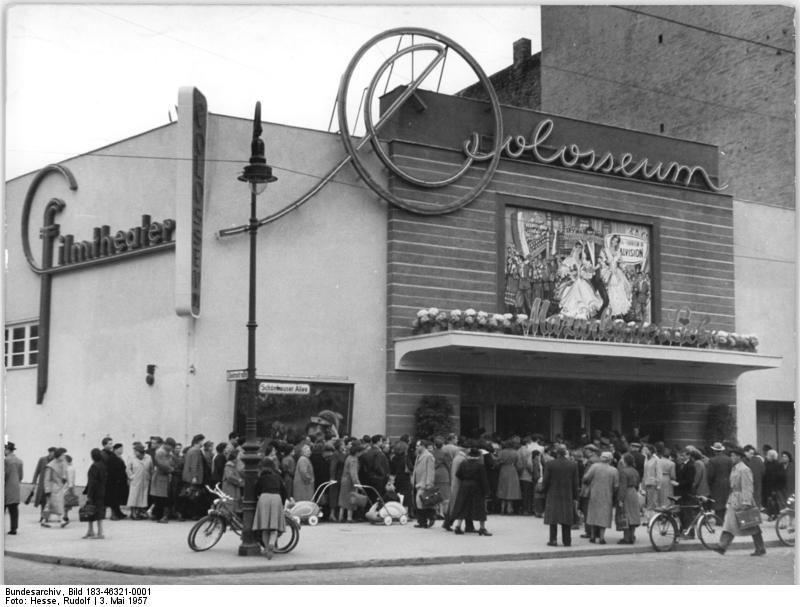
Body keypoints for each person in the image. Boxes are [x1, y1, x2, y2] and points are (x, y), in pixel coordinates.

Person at [714, 448, 766, 557]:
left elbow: (747, 486)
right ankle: (722, 546)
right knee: (729, 524)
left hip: (742, 499)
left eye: (734, 456)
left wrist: (746, 502)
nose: (732, 458)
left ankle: (760, 548)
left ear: (740, 457)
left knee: (751, 525)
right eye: (731, 455)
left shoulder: (744, 469)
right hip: (734, 499)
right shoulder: (735, 468)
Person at [450, 445, 492, 536]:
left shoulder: (463, 463)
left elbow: (458, 474)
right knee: (480, 507)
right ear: (477, 456)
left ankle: (458, 526)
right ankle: (482, 528)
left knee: (463, 505)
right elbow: (483, 479)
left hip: (464, 486)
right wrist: (487, 491)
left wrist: (465, 480)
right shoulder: (480, 466)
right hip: (476, 487)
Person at [542, 445, 579, 547]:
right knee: (566, 517)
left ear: (557, 453)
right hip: (567, 493)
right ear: (565, 453)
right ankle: (567, 541)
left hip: (553, 492)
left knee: (553, 518)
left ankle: (553, 540)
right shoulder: (573, 465)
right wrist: (576, 496)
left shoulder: (550, 464)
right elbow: (576, 483)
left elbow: (545, 480)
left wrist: (544, 491)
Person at [557, 241, 603, 319]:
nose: (578, 249)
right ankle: (571, 314)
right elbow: (562, 271)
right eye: (577, 247)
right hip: (572, 283)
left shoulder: (582, 260)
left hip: (581, 281)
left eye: (580, 248)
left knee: (585, 294)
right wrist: (570, 275)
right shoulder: (569, 259)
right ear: (574, 248)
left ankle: (582, 314)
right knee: (573, 296)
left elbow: (588, 272)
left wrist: (592, 269)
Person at [253, 457, 287, 559]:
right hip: (276, 498)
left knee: (264, 528)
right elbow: (284, 491)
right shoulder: (277, 477)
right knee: (274, 527)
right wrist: (282, 503)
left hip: (264, 498)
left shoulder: (261, 478)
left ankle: (267, 547)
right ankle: (272, 543)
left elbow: (256, 491)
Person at [583, 451, 619, 544]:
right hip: (607, 495)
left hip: (594, 494)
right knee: (604, 515)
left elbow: (586, 478)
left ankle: (592, 536)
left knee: (593, 513)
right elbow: (616, 486)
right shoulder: (614, 470)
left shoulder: (594, 466)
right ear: (610, 460)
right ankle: (602, 538)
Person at [600, 233, 632, 317]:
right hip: (608, 272)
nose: (613, 243)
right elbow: (601, 261)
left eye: (616, 242)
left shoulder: (618, 252)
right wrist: (606, 264)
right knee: (609, 291)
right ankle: (608, 312)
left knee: (619, 290)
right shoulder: (605, 250)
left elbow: (621, 264)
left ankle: (618, 313)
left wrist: (625, 269)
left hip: (617, 273)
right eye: (612, 240)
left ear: (617, 243)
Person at [582, 226, 610, 316]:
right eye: (588, 234)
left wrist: (597, 266)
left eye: (592, 234)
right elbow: (583, 260)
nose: (590, 236)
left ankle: (599, 315)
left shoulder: (598, 247)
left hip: (597, 276)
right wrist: (589, 267)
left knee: (606, 299)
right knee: (589, 301)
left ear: (594, 235)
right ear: (585, 235)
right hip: (588, 278)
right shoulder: (584, 248)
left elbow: (603, 260)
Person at [616, 453, 641, 544]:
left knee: (625, 514)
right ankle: (632, 536)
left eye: (622, 459)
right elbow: (638, 483)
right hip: (634, 492)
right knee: (633, 515)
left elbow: (622, 487)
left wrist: (620, 499)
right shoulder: (635, 471)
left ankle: (626, 538)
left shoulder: (623, 471)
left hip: (627, 493)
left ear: (625, 461)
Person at [149, 437, 175, 523]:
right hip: (160, 476)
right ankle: (158, 516)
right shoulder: (161, 452)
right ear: (167, 445)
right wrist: (171, 470)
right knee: (160, 498)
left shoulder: (166, 452)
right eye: (171, 447)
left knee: (162, 497)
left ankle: (157, 515)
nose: (172, 449)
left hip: (163, 476)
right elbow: (162, 464)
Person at [411, 439, 436, 529]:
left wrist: (429, 483)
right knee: (421, 502)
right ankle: (423, 521)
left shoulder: (428, 456)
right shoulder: (419, 455)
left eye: (418, 446)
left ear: (423, 446)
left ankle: (430, 517)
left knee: (420, 502)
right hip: (418, 482)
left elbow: (431, 471)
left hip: (424, 482)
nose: (416, 448)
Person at [83, 448, 107, 539]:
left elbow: (92, 482)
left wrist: (89, 495)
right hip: (102, 491)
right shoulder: (103, 465)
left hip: (94, 493)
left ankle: (97, 532)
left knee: (91, 511)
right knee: (97, 511)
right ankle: (93, 531)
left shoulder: (94, 467)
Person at [706, 442, 733, 520]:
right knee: (725, 501)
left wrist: (709, 484)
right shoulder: (729, 459)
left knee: (718, 502)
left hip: (716, 484)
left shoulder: (712, 460)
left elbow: (710, 475)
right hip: (727, 482)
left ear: (714, 450)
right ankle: (723, 518)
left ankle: (719, 519)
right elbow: (731, 471)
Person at [182, 434, 206, 519]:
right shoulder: (196, 451)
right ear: (199, 441)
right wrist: (195, 476)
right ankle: (192, 514)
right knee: (194, 496)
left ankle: (186, 513)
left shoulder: (190, 450)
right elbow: (194, 464)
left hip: (188, 476)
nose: (203, 443)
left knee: (189, 495)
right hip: (194, 477)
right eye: (202, 440)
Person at [41, 448, 68, 527]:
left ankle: (44, 520)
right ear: (58, 455)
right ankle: (62, 520)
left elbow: (64, 475)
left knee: (52, 505)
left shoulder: (62, 463)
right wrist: (47, 489)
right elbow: (47, 478)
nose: (64, 456)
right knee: (54, 505)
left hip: (59, 487)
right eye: (62, 454)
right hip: (52, 488)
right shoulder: (51, 465)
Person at [29, 447, 55, 523]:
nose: (52, 454)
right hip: (42, 483)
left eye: (53, 453)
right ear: (49, 452)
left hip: (51, 484)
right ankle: (42, 516)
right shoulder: (42, 459)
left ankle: (46, 517)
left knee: (48, 501)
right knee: (42, 501)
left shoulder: (55, 461)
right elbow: (37, 470)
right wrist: (34, 482)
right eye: (51, 452)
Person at [126, 443, 152, 520]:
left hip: (145, 480)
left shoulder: (148, 457)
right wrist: (131, 476)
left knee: (143, 497)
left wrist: (150, 477)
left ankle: (140, 512)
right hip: (135, 480)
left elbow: (151, 468)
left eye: (136, 452)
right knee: (134, 496)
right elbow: (128, 469)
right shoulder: (131, 457)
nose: (135, 453)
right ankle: (133, 513)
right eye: (134, 452)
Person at [338, 442, 362, 523]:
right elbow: (354, 474)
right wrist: (358, 484)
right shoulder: (354, 460)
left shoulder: (348, 457)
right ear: (357, 452)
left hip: (344, 480)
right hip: (350, 482)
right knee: (351, 499)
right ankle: (349, 517)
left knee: (343, 499)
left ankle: (340, 517)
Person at [496, 439, 521, 514]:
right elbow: (519, 465)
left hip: (503, 470)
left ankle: (502, 508)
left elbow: (497, 462)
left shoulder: (501, 452)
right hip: (512, 470)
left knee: (503, 488)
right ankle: (510, 508)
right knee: (511, 490)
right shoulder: (516, 453)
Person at [4, 442, 23, 535]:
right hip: (15, 488)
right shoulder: (19, 461)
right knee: (14, 509)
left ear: (7, 450)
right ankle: (14, 528)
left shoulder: (5, 460)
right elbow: (21, 476)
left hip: (5, 487)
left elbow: (4, 474)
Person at [106, 443, 129, 520]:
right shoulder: (112, 458)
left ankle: (118, 512)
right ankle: (113, 515)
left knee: (118, 498)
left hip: (119, 481)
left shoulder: (119, 457)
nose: (122, 450)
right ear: (116, 449)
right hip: (114, 482)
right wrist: (117, 479)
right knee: (114, 498)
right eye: (120, 449)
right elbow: (112, 471)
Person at [762, 449, 786, 520]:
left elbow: (781, 477)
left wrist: (776, 487)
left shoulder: (778, 465)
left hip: (774, 486)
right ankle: (771, 514)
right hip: (768, 486)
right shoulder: (767, 463)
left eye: (768, 455)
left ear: (772, 456)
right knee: (770, 501)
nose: (766, 457)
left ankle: (774, 515)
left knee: (774, 501)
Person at [432, 437, 452, 518]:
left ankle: (437, 512)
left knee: (436, 493)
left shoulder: (431, 453)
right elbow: (448, 465)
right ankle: (444, 513)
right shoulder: (445, 453)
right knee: (445, 496)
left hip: (434, 474)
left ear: (434, 445)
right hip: (443, 474)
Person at [743, 445, 765, 510]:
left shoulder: (743, 461)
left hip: (753, 487)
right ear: (745, 453)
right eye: (751, 453)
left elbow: (763, 471)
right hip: (753, 487)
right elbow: (763, 472)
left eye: (753, 453)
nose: (752, 455)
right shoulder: (758, 460)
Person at [641, 444, 660, 520]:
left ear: (651, 450)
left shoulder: (656, 459)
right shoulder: (646, 458)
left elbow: (659, 472)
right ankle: (649, 517)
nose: (644, 451)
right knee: (648, 501)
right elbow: (644, 472)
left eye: (646, 450)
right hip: (646, 481)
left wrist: (658, 483)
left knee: (652, 501)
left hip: (653, 482)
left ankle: (651, 518)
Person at [222, 449, 244, 513]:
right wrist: (239, 480)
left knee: (233, 503)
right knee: (230, 503)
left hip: (232, 487)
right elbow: (229, 476)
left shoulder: (233, 465)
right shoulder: (229, 465)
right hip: (230, 488)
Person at [62, 454, 78, 527]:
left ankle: (64, 516)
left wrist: (70, 488)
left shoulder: (69, 468)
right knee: (66, 503)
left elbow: (70, 479)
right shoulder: (70, 468)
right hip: (68, 487)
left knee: (65, 502)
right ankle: (65, 516)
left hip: (67, 488)